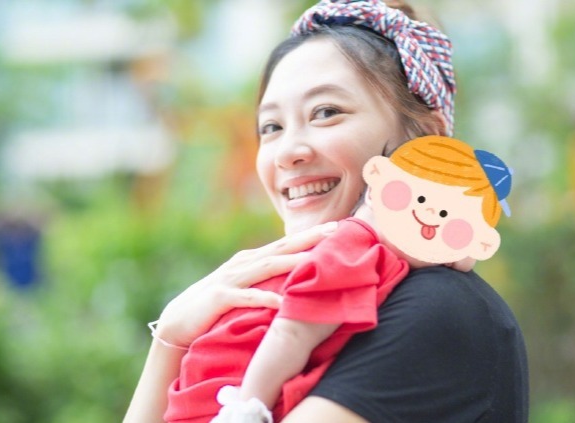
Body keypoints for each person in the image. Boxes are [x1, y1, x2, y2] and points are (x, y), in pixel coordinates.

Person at [124, 0, 529, 422]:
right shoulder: (278, 309)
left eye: (326, 113)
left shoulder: (437, 307)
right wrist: (170, 339)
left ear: (425, 140)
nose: (288, 152)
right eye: (271, 127)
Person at [207, 135, 514, 423]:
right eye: (420, 198)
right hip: (226, 396)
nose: (430, 214)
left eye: (449, 218)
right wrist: (247, 408)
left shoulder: (401, 269)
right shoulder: (352, 249)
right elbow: (291, 333)